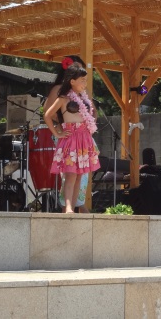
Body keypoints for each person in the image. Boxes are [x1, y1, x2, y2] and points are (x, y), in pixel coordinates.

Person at [44, 62, 100, 213]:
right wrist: (57, 133)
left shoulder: (84, 98)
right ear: (72, 81)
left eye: (86, 80)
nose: (85, 83)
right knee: (70, 174)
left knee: (80, 175)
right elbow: (47, 115)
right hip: (71, 138)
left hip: (84, 138)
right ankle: (68, 207)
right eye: (82, 80)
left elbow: (92, 113)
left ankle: (73, 206)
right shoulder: (63, 98)